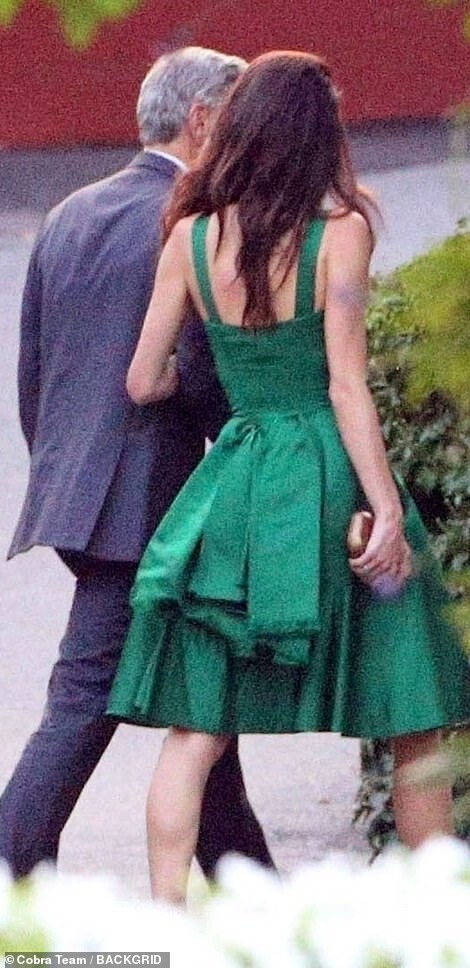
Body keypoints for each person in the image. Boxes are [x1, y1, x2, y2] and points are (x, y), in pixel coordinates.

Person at [106, 50, 470, 904]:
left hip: (239, 486)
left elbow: (143, 380)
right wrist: (386, 510)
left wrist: (231, 387)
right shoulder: (342, 231)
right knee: (414, 721)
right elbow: (346, 384)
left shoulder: (190, 236)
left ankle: (163, 923)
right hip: (334, 485)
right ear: (317, 134)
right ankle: (441, 924)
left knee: (195, 730)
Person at [0, 46, 274, 880]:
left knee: (202, 710)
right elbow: (203, 372)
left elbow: (34, 374)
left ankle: (249, 885)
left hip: (81, 500)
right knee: (86, 705)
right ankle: (12, 868)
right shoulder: (189, 224)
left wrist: (68, 478)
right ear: (202, 121)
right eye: (238, 118)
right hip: (155, 507)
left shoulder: (69, 212)